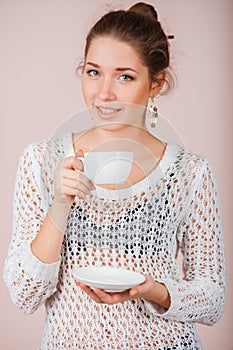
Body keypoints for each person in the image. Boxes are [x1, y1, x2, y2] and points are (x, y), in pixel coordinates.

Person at [3, 2, 226, 349]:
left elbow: (212, 300)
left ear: (156, 83)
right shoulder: (40, 161)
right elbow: (24, 294)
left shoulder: (190, 172)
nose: (104, 93)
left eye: (125, 76)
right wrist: (61, 205)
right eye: (93, 72)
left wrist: (153, 290)